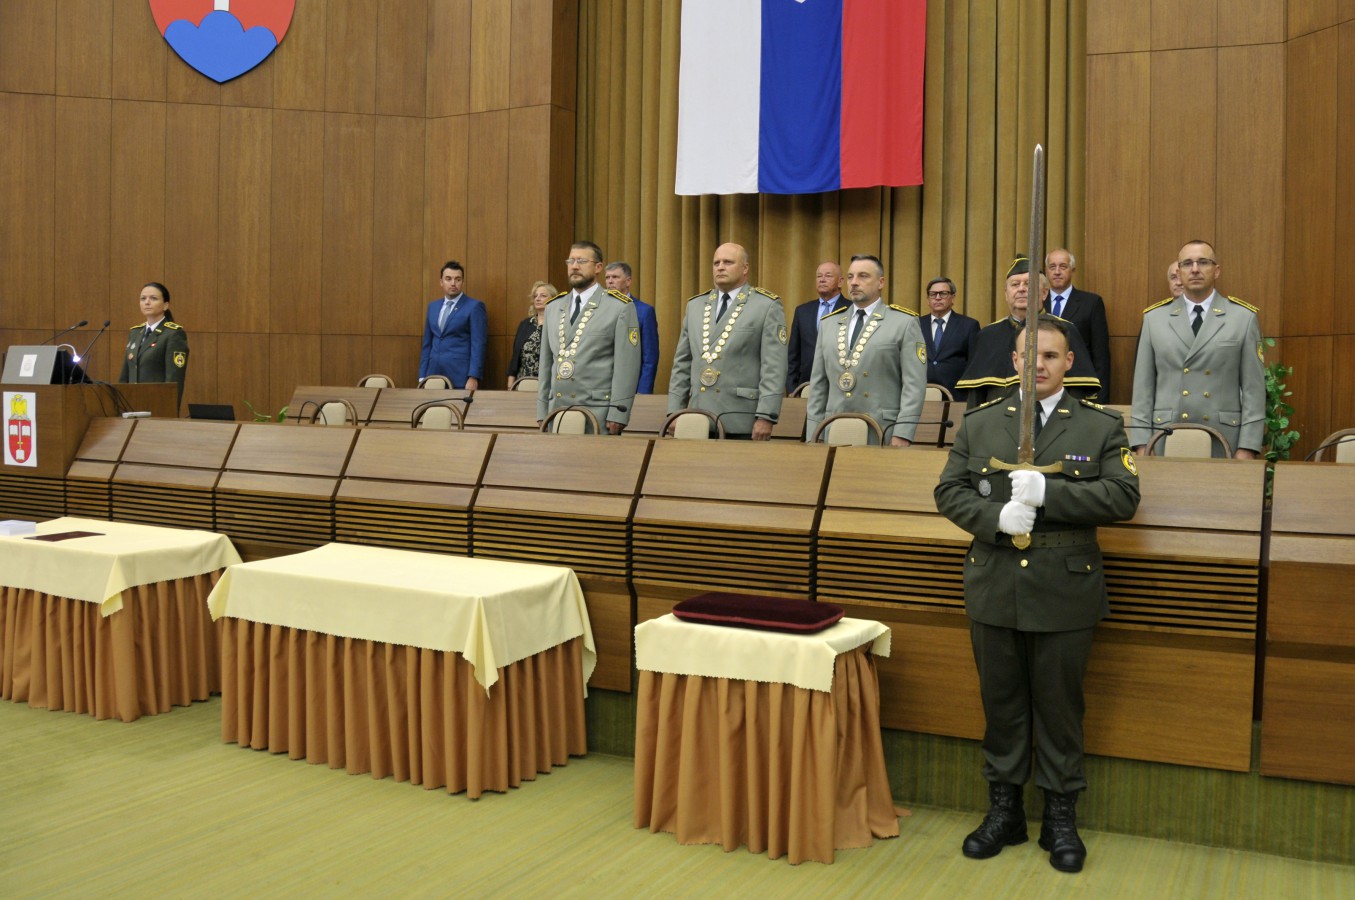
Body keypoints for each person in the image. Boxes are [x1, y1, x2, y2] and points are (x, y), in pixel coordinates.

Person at [935, 315, 1140, 874]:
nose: (1039, 365)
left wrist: (1051, 492)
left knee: (1059, 708)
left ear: (1068, 362)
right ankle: (1004, 812)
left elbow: (1124, 497)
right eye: (1031, 355)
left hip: (1064, 587)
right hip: (995, 581)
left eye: (1051, 356)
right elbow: (948, 491)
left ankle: (1060, 818)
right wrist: (995, 517)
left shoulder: (1099, 426)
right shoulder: (981, 423)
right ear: (1015, 361)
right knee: (1001, 704)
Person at [1129, 240, 1265, 459]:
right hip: (1165, 438)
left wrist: (1247, 447)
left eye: (1203, 262)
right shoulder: (1154, 319)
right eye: (1187, 263)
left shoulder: (1243, 318)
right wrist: (1142, 443)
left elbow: (1253, 391)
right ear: (1179, 271)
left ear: (1216, 270)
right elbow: (1142, 389)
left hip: (1224, 439)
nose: (1194, 269)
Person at [667, 242, 787, 439]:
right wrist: (674, 411)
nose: (720, 267)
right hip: (697, 416)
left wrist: (766, 415)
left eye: (728, 262)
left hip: (741, 417)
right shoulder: (695, 305)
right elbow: (682, 363)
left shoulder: (765, 305)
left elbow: (774, 367)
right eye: (716, 263)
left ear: (745, 268)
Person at [805, 255, 926, 445]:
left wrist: (903, 433)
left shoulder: (903, 323)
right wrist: (814, 434)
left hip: (883, 431)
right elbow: (818, 385)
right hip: (834, 429)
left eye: (863, 276)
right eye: (850, 277)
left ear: (881, 282)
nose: (854, 282)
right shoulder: (829, 323)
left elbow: (914, 385)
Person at [956, 257, 1102, 406]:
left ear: (1044, 293)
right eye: (1015, 284)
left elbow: (1079, 394)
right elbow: (975, 397)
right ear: (1006, 294)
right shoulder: (987, 335)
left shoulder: (1065, 330)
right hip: (996, 419)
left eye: (1028, 284)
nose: (1021, 289)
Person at [537, 241, 641, 434]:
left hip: (599, 412)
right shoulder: (553, 307)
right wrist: (542, 411)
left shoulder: (619, 307)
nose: (574, 266)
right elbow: (545, 364)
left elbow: (627, 367)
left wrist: (618, 414)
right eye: (571, 261)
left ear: (598, 267)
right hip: (557, 411)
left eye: (582, 261)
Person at [1045, 249, 1112, 398]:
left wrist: (1100, 397)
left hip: (1077, 389)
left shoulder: (1091, 303)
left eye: (1063, 266)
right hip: (1043, 387)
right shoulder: (1036, 303)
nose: (1057, 272)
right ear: (1046, 271)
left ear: (1072, 270)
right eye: (1052, 267)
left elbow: (1100, 355)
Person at [419, 261, 488, 392]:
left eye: (458, 279)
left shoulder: (474, 306)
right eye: (448, 279)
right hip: (433, 376)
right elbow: (427, 344)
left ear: (463, 282)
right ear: (441, 282)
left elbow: (478, 344)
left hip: (460, 377)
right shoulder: (432, 307)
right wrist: (422, 376)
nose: (453, 283)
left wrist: (473, 376)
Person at [118, 281, 189, 406]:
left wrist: (168, 410)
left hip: (156, 406)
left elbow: (174, 381)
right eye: (143, 298)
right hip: (131, 406)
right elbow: (125, 375)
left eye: (153, 298)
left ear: (165, 305)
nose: (147, 302)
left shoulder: (173, 334)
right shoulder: (135, 333)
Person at [786, 261, 847, 393]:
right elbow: (793, 355)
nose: (822, 279)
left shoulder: (851, 309)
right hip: (805, 387)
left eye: (828, 276)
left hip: (841, 386)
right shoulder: (802, 311)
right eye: (819, 276)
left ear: (840, 281)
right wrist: (792, 389)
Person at [605, 262, 659, 394]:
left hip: (629, 388)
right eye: (607, 277)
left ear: (628, 281)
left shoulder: (644, 311)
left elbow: (650, 358)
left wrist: (643, 392)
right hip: (600, 388)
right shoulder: (598, 310)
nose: (610, 281)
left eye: (615, 277)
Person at [921, 276, 980, 396]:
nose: (937, 298)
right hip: (920, 393)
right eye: (933, 294)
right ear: (928, 299)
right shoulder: (916, 324)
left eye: (943, 293)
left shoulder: (969, 325)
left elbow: (974, 364)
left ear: (952, 298)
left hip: (956, 395)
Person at [507, 281, 554, 389]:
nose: (538, 299)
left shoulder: (557, 323)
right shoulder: (525, 324)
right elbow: (515, 358)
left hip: (549, 385)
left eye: (543, 296)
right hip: (523, 383)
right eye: (535, 296)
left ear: (553, 299)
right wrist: (510, 385)